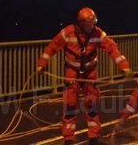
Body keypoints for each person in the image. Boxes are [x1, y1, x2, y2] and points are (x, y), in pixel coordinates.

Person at [36, 7, 132, 144]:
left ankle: (94, 137)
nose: (90, 27)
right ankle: (68, 139)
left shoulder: (97, 33)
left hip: (89, 73)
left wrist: (124, 67)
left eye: (92, 24)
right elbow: (52, 47)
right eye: (88, 25)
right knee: (70, 106)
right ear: (80, 24)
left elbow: (112, 48)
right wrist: (42, 63)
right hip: (72, 73)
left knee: (91, 105)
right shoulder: (67, 33)